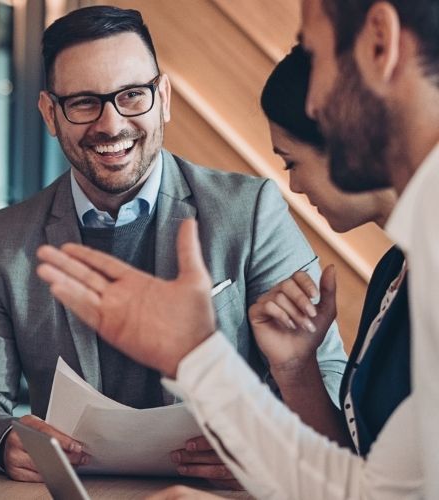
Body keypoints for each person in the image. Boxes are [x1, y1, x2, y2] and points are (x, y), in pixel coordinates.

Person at [35, 0, 439, 496]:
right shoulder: (418, 252)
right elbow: (383, 491)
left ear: (379, 43)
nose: (311, 103)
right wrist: (198, 356)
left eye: (315, 55)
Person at [0, 5, 346, 487]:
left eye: (132, 95)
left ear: (163, 98)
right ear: (50, 113)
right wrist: (4, 441)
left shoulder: (251, 211)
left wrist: (265, 445)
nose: (111, 125)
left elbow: (324, 371)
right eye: (84, 102)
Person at [253, 46, 405, 455]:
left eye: (291, 163)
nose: (295, 186)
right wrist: (295, 366)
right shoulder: (393, 271)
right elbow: (355, 462)